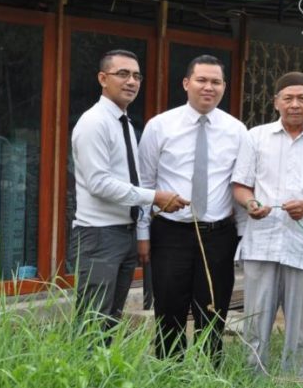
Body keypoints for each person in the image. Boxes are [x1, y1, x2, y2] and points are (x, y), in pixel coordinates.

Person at [232, 72, 303, 377]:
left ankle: (295, 381)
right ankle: (253, 379)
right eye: (288, 98)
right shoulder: (255, 137)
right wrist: (251, 204)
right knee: (256, 318)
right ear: (276, 103)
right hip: (262, 242)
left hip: (302, 244)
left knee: (299, 322)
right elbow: (241, 185)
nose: (294, 104)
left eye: (302, 98)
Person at [137, 55, 250, 361]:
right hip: (171, 233)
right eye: (201, 80)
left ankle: (209, 374)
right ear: (186, 83)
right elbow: (146, 185)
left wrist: (240, 238)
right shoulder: (159, 126)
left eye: (216, 82)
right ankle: (168, 374)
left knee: (213, 309)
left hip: (218, 235)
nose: (208, 87)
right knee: (169, 310)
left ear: (224, 87)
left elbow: (239, 184)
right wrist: (143, 233)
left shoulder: (237, 130)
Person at [70, 49, 180, 338]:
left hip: (124, 232)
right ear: (102, 78)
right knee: (91, 321)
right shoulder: (95, 122)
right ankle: (82, 380)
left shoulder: (125, 123)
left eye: (136, 76)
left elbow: (129, 178)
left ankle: (103, 381)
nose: (131, 81)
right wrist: (153, 197)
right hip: (98, 235)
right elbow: (99, 184)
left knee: (110, 321)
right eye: (123, 74)